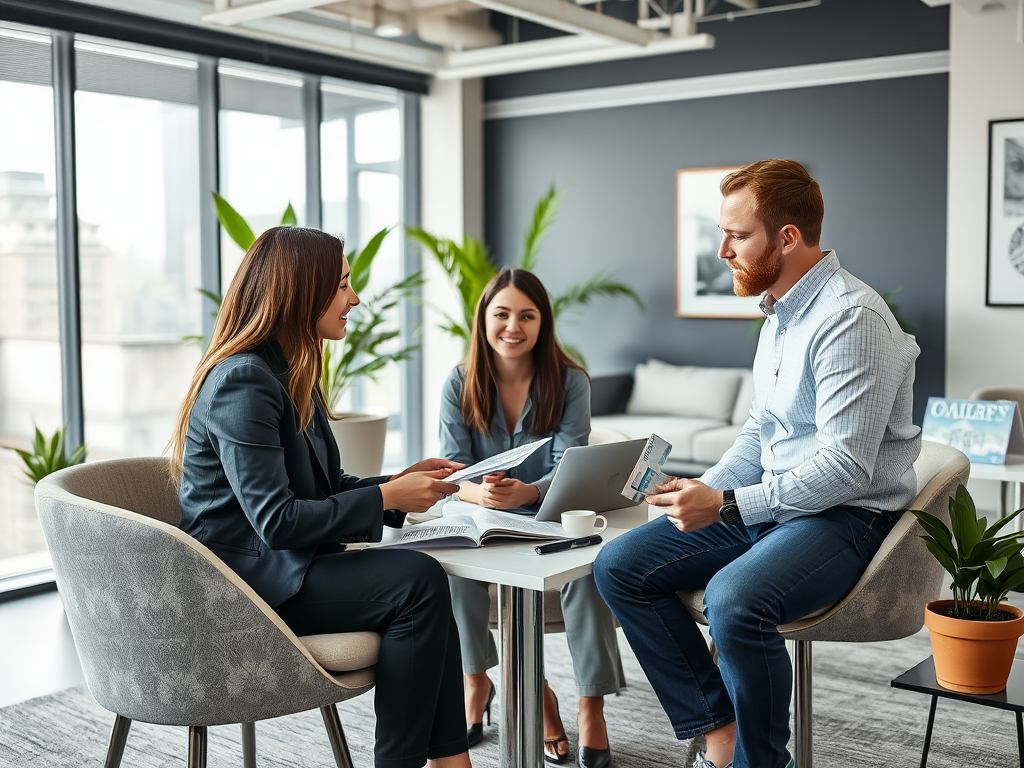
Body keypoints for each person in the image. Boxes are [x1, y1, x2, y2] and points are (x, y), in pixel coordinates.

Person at [593, 160, 921, 768]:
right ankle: (721, 737)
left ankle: (761, 761)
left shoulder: (852, 318)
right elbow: (760, 432)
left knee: (734, 599)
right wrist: (705, 488)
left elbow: (846, 468)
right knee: (619, 563)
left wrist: (729, 504)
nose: (722, 250)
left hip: (844, 518)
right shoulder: (778, 315)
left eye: (738, 236)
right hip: (772, 504)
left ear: (788, 237)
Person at [170, 226, 472, 768]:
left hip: (282, 566)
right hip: (240, 588)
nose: (354, 299)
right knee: (417, 582)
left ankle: (452, 763)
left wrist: (396, 487)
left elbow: (323, 490)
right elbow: (279, 522)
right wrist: (385, 498)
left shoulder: (289, 373)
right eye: (342, 285)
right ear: (300, 292)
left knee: (422, 580)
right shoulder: (244, 380)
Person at [438, 268, 625, 768]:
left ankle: (591, 707)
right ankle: (477, 680)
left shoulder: (571, 381)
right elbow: (452, 467)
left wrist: (528, 489)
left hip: (551, 519)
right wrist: (480, 493)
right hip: (483, 520)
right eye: (501, 314)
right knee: (451, 567)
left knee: (590, 572)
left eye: (527, 314)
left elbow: (572, 462)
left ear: (544, 322)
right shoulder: (459, 381)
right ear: (483, 320)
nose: (513, 326)